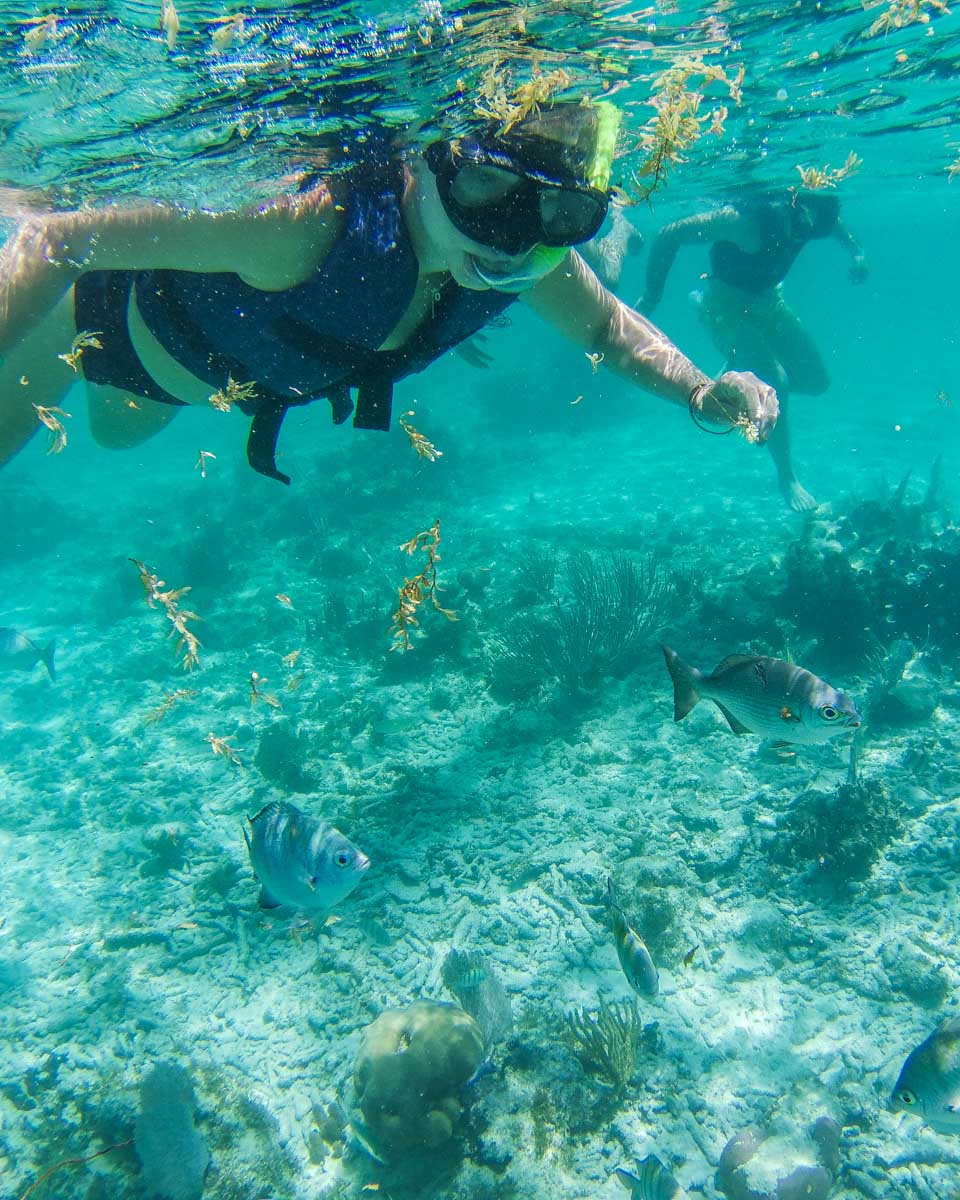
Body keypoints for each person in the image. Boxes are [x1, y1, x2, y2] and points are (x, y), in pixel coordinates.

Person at [0, 102, 777, 485]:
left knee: (117, 435)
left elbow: (608, 330)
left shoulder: (534, 258)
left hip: (193, 381)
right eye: (485, 186)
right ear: (435, 161)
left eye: (562, 215)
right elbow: (59, 235)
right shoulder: (308, 223)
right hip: (95, 318)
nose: (506, 237)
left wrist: (702, 395)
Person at [639, 188, 868, 511]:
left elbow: (836, 226)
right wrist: (652, 296)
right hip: (726, 302)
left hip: (769, 298)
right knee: (777, 381)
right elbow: (669, 234)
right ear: (793, 205)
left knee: (817, 382)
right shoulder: (745, 222)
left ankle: (739, 364)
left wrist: (857, 253)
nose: (804, 229)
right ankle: (787, 477)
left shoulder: (819, 215)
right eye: (801, 220)